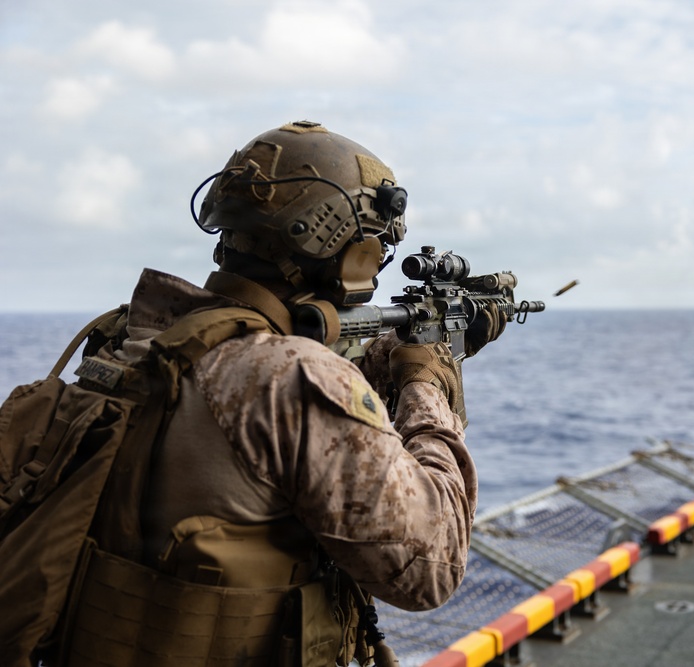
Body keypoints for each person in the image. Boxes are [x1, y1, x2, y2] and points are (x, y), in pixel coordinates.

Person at [57, 121, 500, 666]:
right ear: (348, 251)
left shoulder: (137, 338)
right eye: (375, 248)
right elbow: (431, 567)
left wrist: (391, 359)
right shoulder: (291, 377)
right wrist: (427, 383)